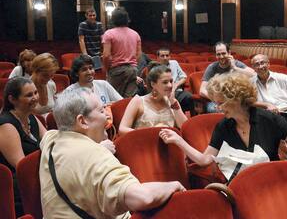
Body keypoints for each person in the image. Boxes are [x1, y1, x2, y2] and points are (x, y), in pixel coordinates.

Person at [160, 73, 287, 181]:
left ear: (237, 100)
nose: (218, 108)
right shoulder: (224, 126)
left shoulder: (268, 119)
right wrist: (178, 140)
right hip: (241, 184)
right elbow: (204, 160)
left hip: (271, 179)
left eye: (222, 103)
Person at [39, 88, 185, 219]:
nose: (107, 117)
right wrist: (174, 185)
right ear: (82, 121)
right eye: (102, 111)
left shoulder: (51, 140)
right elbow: (142, 198)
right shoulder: (96, 155)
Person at [0, 77, 47, 216]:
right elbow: (22, 166)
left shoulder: (31, 117)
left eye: (35, 93)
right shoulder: (6, 124)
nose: (35, 98)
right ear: (12, 99)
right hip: (16, 187)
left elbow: (49, 141)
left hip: (36, 176)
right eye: (29, 95)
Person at [119, 63, 188, 135]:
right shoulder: (138, 101)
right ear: (153, 84)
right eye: (165, 82)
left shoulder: (173, 102)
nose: (170, 85)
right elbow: (122, 129)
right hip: (144, 143)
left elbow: (184, 127)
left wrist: (173, 102)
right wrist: (151, 133)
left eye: (171, 81)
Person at [200, 42, 255, 113]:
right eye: (218, 54)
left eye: (223, 53)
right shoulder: (212, 67)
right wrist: (217, 99)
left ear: (229, 53)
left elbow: (253, 74)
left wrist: (235, 68)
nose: (221, 56)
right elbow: (202, 90)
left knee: (249, 108)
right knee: (213, 109)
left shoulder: (236, 64)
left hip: (235, 99)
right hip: (217, 100)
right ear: (216, 55)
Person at [102, 7, 141, 98]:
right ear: (127, 19)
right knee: (128, 100)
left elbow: (106, 55)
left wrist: (107, 69)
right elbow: (139, 54)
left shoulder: (109, 34)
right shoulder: (135, 34)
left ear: (113, 19)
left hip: (116, 70)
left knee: (113, 98)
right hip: (132, 70)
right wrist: (134, 65)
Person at [156, 47, 193, 113]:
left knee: (189, 96)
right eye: (162, 56)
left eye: (167, 55)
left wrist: (175, 85)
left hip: (177, 91)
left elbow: (184, 77)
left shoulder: (174, 63)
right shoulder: (155, 68)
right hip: (164, 92)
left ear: (170, 57)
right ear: (158, 58)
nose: (165, 58)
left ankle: (192, 120)